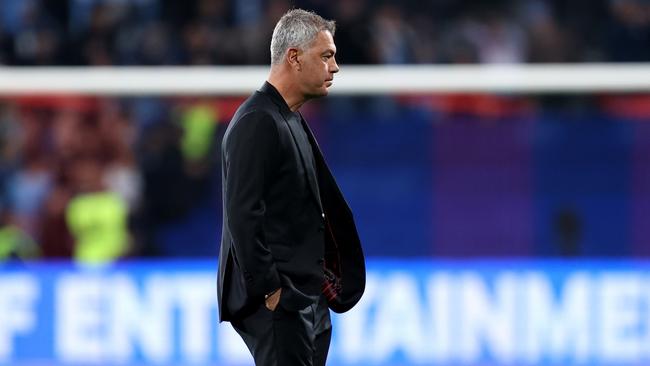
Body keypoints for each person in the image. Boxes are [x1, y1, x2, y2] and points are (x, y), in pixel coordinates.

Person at [217, 8, 365, 366]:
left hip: (304, 297)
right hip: (281, 300)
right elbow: (243, 212)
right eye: (326, 56)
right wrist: (271, 289)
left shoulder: (288, 117)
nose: (335, 67)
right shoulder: (257, 121)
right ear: (294, 58)